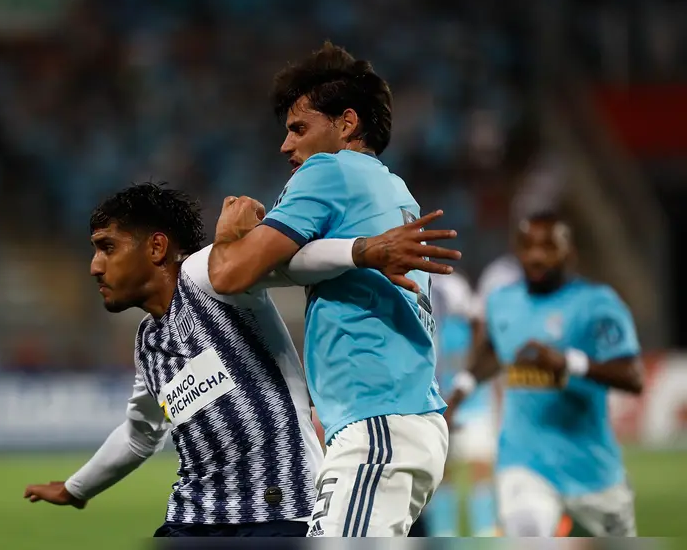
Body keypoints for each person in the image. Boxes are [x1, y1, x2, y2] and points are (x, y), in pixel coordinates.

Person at [25, 182, 459, 537]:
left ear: (156, 247)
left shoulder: (205, 276)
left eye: (107, 248)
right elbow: (140, 435)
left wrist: (364, 251)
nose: (94, 267)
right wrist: (75, 488)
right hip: (193, 521)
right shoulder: (149, 342)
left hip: (279, 513)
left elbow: (294, 263)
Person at [207, 41, 461, 537]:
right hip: (397, 421)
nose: (286, 146)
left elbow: (229, 274)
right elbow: (305, 267)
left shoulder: (330, 171)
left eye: (299, 128)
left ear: (346, 124)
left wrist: (228, 234)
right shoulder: (394, 191)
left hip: (377, 425)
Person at [443, 211, 644, 537]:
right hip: (523, 464)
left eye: (548, 246)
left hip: (592, 472)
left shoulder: (597, 304)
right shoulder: (502, 302)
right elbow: (495, 350)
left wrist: (569, 363)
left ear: (570, 252)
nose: (536, 255)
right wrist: (460, 392)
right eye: (528, 246)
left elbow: (633, 377)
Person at [425, 272, 499, 537]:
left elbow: (478, 324)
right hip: (436, 401)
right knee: (442, 473)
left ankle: (486, 533)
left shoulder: (452, 286)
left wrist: (471, 376)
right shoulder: (412, 281)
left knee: (480, 465)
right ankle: (444, 534)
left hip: (471, 399)